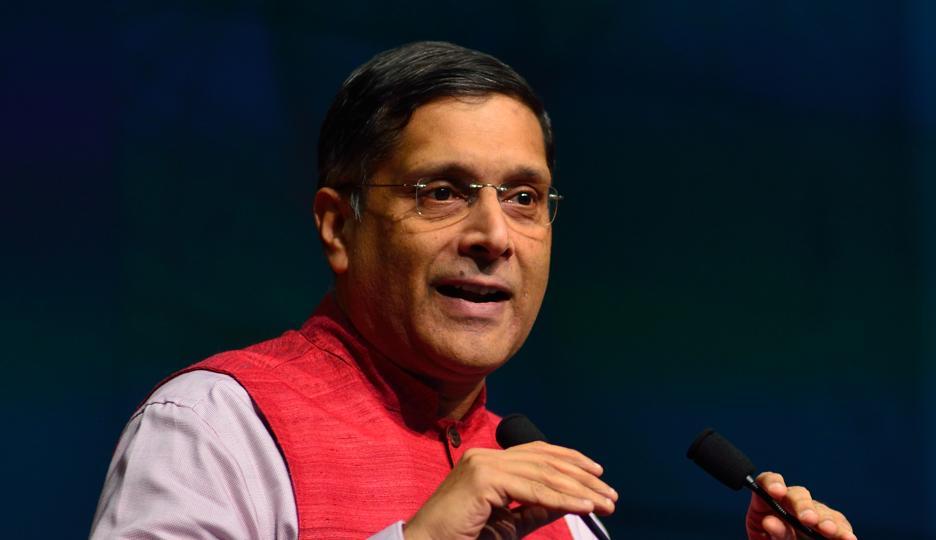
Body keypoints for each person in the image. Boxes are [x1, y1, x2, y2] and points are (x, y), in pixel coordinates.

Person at [90, 41, 856, 540]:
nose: (494, 235)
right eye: (442, 192)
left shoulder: (559, 506)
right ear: (338, 226)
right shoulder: (215, 426)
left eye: (524, 198)